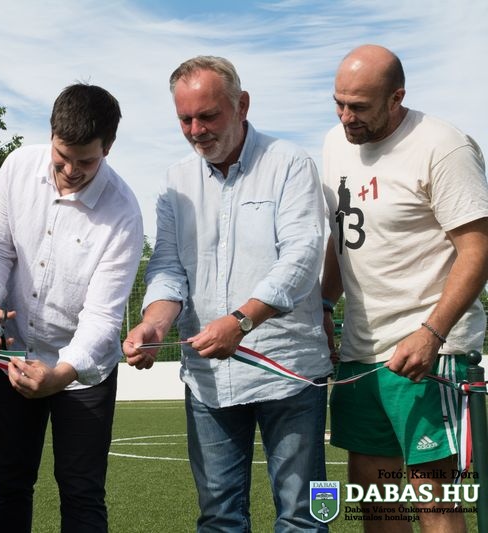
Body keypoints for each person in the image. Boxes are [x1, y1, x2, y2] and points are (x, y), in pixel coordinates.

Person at [123, 56, 331, 532]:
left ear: (242, 106)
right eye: (185, 119)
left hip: (288, 371)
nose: (196, 130)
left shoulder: (290, 163)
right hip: (209, 378)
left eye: (208, 116)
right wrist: (154, 325)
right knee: (219, 518)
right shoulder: (176, 181)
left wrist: (241, 321)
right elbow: (168, 267)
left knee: (303, 518)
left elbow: (301, 257)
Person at [321, 44, 488, 532]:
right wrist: (325, 305)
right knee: (376, 501)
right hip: (360, 356)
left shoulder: (443, 146)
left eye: (359, 106)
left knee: (433, 501)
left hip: (429, 354)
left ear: (396, 98)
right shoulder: (334, 143)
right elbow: (342, 237)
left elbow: (478, 250)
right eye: (338, 103)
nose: (346, 117)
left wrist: (432, 332)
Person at [0, 83, 144, 533]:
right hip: (13, 357)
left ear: (108, 148)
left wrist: (62, 374)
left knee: (82, 491)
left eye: (86, 162)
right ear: (51, 134)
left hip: (83, 373)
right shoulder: (17, 167)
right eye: (61, 157)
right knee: (9, 485)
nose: (70, 171)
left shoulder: (123, 212)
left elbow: (103, 316)